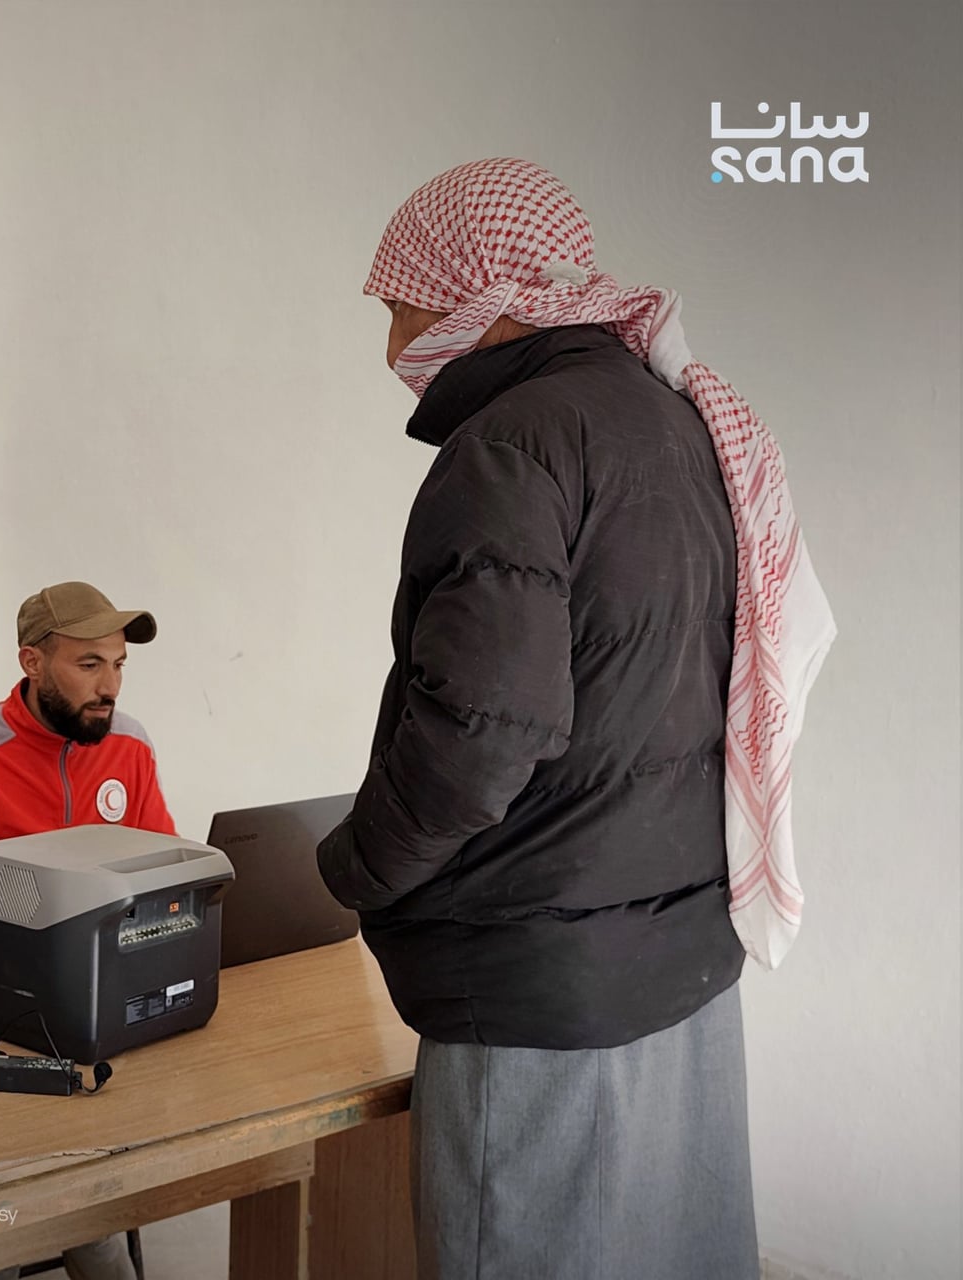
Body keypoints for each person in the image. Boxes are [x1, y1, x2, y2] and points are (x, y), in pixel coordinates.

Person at [317, 158, 836, 1280]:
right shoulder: (677, 421)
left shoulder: (513, 443)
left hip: (535, 993)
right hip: (680, 964)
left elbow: (482, 730)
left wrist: (355, 865)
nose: (393, 342)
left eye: (404, 303)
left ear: (487, 295)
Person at [0, 581, 172, 1280]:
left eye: (118, 665)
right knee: (0, 1201)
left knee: (101, 1154)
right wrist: (73, 911)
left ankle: (82, 1227)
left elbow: (161, 874)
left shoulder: (130, 744)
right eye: (89, 664)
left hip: (107, 996)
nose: (109, 686)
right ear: (32, 662)